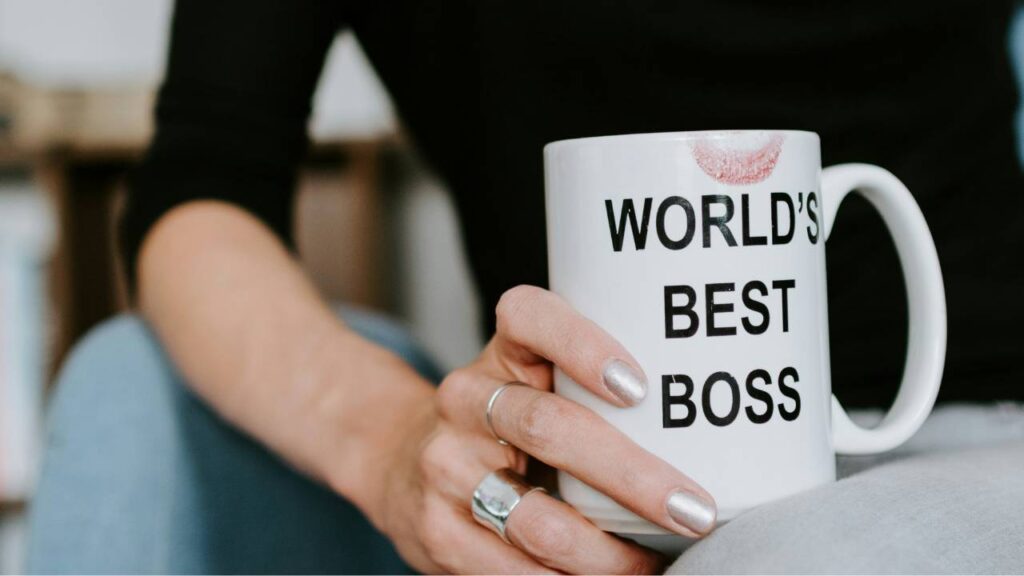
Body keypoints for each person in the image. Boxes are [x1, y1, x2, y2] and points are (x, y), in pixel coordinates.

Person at [26, 1, 1024, 573]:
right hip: (556, 464)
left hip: (959, 430)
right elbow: (203, 181)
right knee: (124, 386)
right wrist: (388, 441)